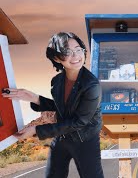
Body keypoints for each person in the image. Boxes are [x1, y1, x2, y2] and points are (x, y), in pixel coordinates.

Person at [2, 32, 104, 178]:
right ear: (56, 58)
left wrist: (37, 130)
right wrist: (34, 98)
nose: (75, 56)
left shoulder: (91, 85)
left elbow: (79, 121)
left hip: (84, 139)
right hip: (62, 136)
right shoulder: (56, 81)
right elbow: (63, 110)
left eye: (78, 49)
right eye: (67, 52)